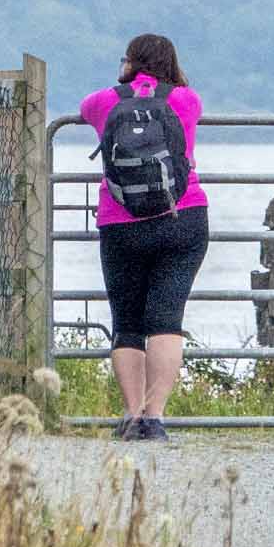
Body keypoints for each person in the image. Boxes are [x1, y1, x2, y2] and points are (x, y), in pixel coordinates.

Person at [80, 32, 209, 442]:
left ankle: (132, 415)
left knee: (128, 322)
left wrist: (124, 82)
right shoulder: (186, 100)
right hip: (182, 216)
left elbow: (84, 110)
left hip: (120, 221)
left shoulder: (105, 102)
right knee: (167, 321)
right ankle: (155, 418)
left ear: (129, 62)